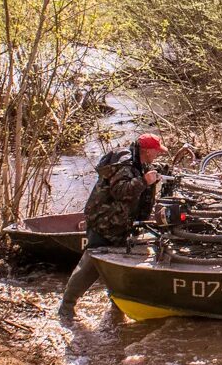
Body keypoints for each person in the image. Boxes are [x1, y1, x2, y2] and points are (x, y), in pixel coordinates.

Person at [59, 133, 168, 319]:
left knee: (117, 266)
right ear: (148, 150)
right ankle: (66, 307)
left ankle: (117, 306)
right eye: (157, 152)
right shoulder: (124, 166)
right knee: (91, 265)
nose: (158, 155)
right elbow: (120, 191)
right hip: (104, 222)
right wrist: (144, 182)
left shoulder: (140, 163)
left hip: (120, 223)